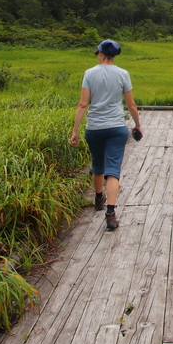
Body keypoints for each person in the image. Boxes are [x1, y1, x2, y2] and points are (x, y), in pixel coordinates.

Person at [70, 39, 142, 231]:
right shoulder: (123, 74)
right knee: (113, 171)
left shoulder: (89, 73)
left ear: (101, 53)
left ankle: (99, 198)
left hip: (94, 128)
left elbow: (83, 104)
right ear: (115, 55)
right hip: (116, 128)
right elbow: (131, 105)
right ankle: (110, 214)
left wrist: (75, 130)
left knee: (97, 165)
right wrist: (137, 125)